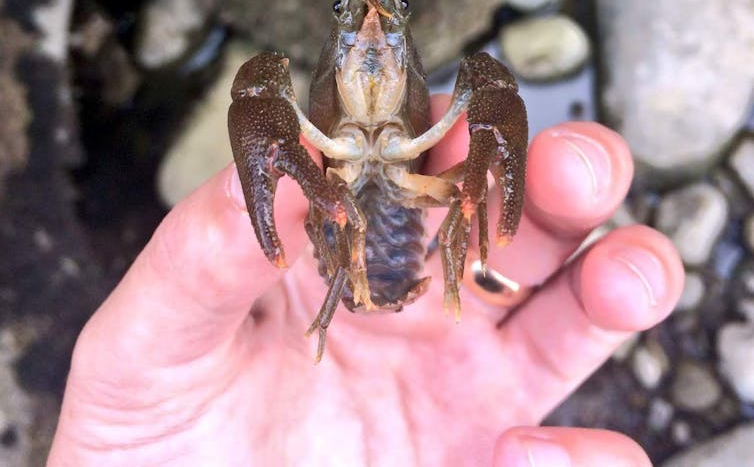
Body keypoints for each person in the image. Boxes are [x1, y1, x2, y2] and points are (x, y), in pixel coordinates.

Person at [47, 97, 683, 466]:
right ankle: (394, 288)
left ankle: (467, 273)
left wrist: (492, 196)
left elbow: (474, 141)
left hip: (400, 230)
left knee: (512, 150)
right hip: (335, 237)